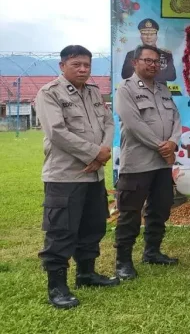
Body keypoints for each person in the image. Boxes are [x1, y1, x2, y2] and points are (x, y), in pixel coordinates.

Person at [35, 45, 120, 309]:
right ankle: (57, 286)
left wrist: (103, 153)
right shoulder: (50, 93)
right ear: (62, 66)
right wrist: (95, 153)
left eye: (87, 65)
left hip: (94, 176)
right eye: (76, 64)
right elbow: (57, 132)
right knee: (61, 231)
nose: (83, 69)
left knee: (93, 226)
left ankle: (86, 273)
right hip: (65, 176)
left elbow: (108, 123)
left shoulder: (94, 92)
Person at [114, 44, 181, 280]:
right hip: (138, 163)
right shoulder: (125, 89)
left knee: (160, 208)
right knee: (130, 213)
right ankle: (123, 261)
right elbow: (134, 124)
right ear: (135, 63)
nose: (153, 65)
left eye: (156, 62)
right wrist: (161, 146)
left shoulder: (163, 89)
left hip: (162, 164)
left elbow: (176, 118)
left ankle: (152, 251)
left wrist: (173, 142)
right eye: (148, 60)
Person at [120, 19, 176, 83]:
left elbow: (171, 76)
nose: (148, 37)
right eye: (145, 34)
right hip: (138, 88)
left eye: (152, 34)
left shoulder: (166, 54)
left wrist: (143, 71)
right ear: (141, 36)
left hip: (160, 88)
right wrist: (157, 72)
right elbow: (125, 75)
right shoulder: (131, 55)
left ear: (156, 36)